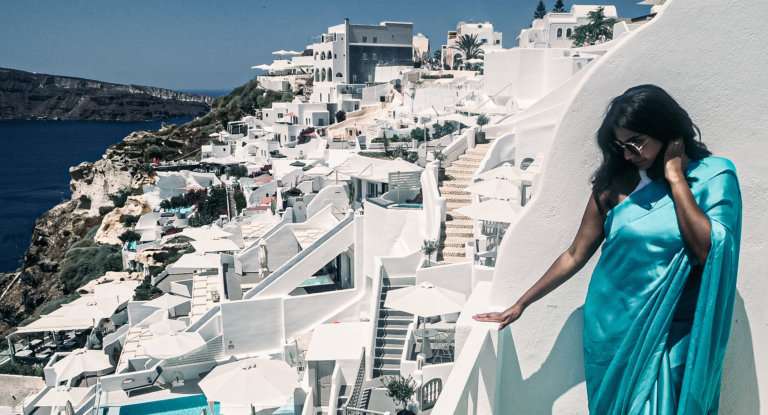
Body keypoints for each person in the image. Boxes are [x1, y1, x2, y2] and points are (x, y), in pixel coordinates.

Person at [473, 84, 742, 414]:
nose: (628, 154)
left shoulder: (714, 177)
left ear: (666, 131)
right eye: (620, 146)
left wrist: (675, 179)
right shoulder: (614, 185)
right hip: (611, 325)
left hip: (673, 328)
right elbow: (575, 254)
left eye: (636, 143)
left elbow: (707, 250)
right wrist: (521, 303)